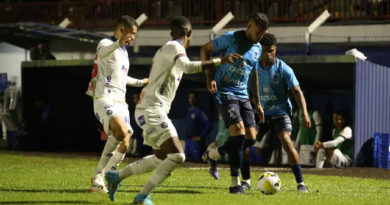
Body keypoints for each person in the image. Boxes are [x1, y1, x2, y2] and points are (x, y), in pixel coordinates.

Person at [104, 16, 241, 205]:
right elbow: (187, 67)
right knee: (178, 155)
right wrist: (221, 60)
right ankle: (141, 197)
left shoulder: (168, 48)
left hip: (149, 108)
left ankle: (116, 177)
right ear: (189, 34)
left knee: (161, 159)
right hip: (152, 109)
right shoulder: (175, 47)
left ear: (171, 32)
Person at [201, 12, 268, 194]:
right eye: (258, 32)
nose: (260, 36)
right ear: (249, 27)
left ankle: (214, 155)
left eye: (262, 34)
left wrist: (258, 102)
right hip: (225, 91)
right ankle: (234, 183)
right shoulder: (231, 38)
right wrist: (209, 78)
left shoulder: (258, 48)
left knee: (250, 139)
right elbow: (204, 49)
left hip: (243, 95)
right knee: (238, 134)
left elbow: (253, 74)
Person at [87, 15, 148, 193]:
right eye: (131, 34)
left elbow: (121, 77)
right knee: (121, 131)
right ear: (121, 30)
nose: (133, 38)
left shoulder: (123, 52)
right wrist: (118, 42)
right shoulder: (105, 43)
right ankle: (104, 174)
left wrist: (141, 83)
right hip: (104, 97)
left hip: (121, 100)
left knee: (126, 140)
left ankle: (103, 176)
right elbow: (102, 54)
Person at [249, 33, 310, 192]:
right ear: (259, 50)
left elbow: (297, 92)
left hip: (280, 113)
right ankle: (244, 181)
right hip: (260, 113)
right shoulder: (253, 67)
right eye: (264, 51)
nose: (268, 55)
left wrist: (305, 113)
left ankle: (301, 184)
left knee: (287, 142)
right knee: (246, 141)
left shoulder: (284, 69)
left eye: (271, 51)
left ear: (276, 50)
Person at [185, 91, 210, 160]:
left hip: (196, 142)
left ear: (196, 99)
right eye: (190, 97)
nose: (191, 99)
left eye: (193, 98)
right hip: (188, 141)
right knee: (186, 161)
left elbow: (207, 124)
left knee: (197, 161)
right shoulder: (189, 110)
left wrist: (201, 136)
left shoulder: (199, 111)